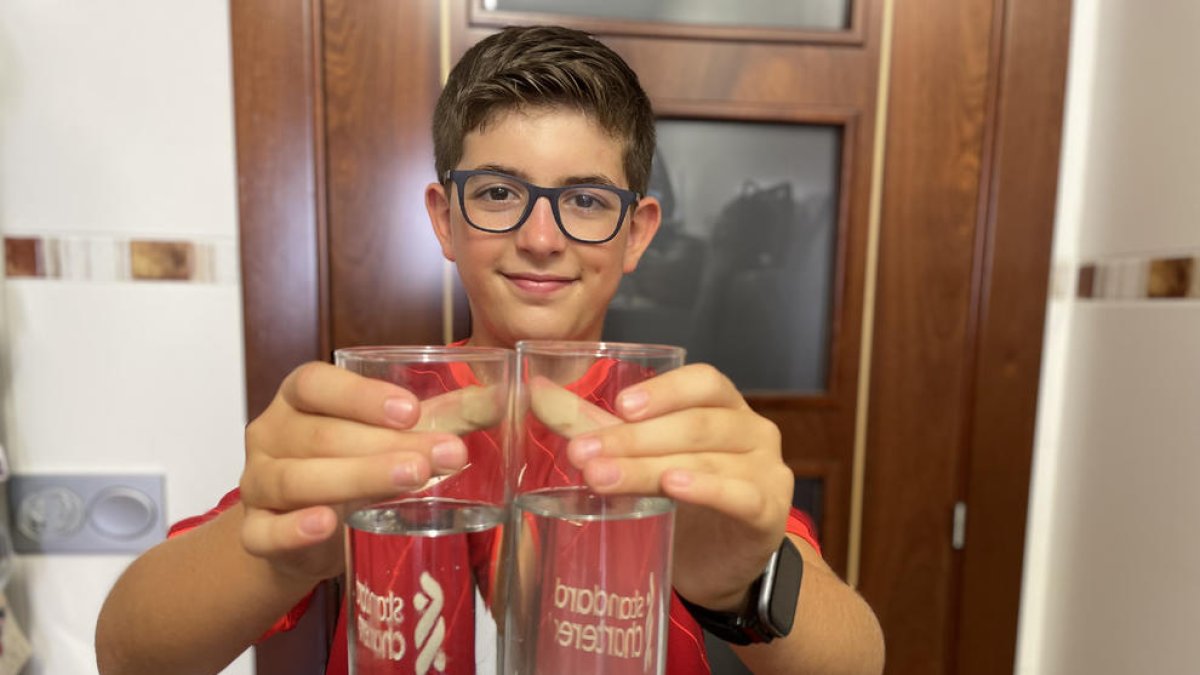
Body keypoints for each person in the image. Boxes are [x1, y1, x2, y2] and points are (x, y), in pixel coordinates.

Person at [95, 25, 884, 675]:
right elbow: (128, 652)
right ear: (445, 218)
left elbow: (857, 660)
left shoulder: (669, 425)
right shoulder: (382, 416)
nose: (540, 239)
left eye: (584, 199)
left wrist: (742, 583)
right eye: (500, 193)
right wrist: (281, 551)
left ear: (636, 231)